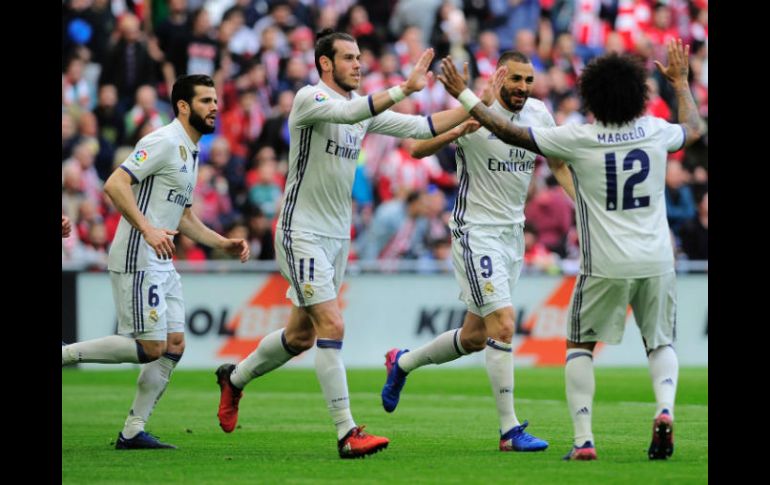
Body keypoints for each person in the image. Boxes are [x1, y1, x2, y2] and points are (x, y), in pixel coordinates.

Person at [437, 38, 702, 460]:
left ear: (592, 96)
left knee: (580, 345)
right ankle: (665, 409)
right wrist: (683, 83)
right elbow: (694, 129)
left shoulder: (579, 137)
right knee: (660, 343)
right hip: (658, 259)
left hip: (606, 262)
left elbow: (507, 130)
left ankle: (583, 441)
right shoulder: (656, 130)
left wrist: (464, 95)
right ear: (640, 94)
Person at [214, 29, 472, 459]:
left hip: (336, 238)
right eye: (349, 57)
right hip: (302, 232)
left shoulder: (360, 109)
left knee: (298, 336)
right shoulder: (309, 99)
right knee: (332, 326)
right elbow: (352, 114)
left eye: (359, 57)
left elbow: (420, 126)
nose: (358, 63)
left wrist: (472, 112)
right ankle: (346, 432)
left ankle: (234, 379)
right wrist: (404, 87)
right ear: (325, 64)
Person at [380, 51, 575, 452]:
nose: (522, 87)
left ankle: (401, 362)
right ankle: (509, 431)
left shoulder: (539, 113)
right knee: (503, 324)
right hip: (475, 233)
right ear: (500, 76)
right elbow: (416, 150)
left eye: (528, 80)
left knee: (473, 337)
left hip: (512, 237)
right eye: (515, 79)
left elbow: (557, 164)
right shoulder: (475, 109)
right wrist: (460, 128)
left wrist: (586, 212)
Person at [62, 75, 250, 450]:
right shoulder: (163, 141)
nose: (215, 107)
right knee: (150, 347)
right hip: (138, 253)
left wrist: (222, 243)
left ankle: (133, 430)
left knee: (174, 345)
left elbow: (182, 216)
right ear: (183, 105)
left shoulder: (192, 150)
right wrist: (147, 229)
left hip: (162, 259)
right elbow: (115, 184)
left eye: (215, 100)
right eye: (205, 101)